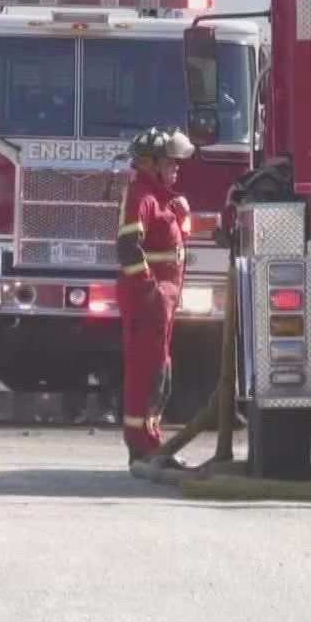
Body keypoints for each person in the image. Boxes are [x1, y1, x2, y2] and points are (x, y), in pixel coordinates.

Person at [115, 126, 195, 465]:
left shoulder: (162, 198)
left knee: (160, 372)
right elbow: (127, 247)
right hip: (149, 302)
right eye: (170, 162)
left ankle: (152, 439)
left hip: (163, 302)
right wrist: (151, 290)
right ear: (150, 164)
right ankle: (141, 447)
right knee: (145, 372)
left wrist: (184, 213)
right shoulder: (142, 197)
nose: (177, 168)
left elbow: (176, 239)